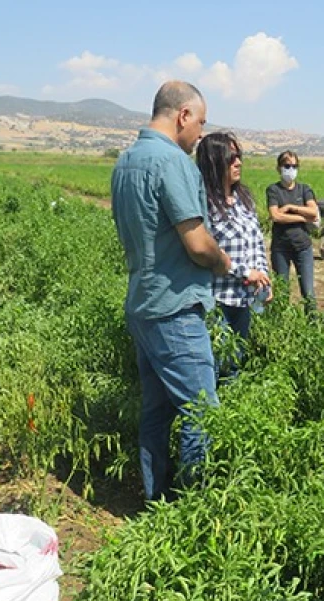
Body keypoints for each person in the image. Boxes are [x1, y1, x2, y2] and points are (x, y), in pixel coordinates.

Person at [110, 81, 232, 501]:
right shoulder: (173, 162)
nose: (200, 133)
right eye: (199, 122)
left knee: (157, 413)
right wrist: (223, 262)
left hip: (142, 304)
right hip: (175, 307)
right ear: (182, 115)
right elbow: (197, 244)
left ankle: (156, 502)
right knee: (202, 414)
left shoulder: (126, 161)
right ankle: (196, 513)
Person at [196, 132, 271, 379]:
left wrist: (263, 277)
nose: (238, 163)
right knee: (215, 366)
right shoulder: (204, 203)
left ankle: (230, 410)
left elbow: (257, 241)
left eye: (239, 156)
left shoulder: (242, 199)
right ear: (214, 163)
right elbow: (207, 252)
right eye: (231, 158)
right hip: (217, 300)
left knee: (235, 364)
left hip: (243, 299)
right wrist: (244, 272)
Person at [266, 151, 319, 311]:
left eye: (294, 166)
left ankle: (313, 326)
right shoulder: (273, 190)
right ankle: (281, 327)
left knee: (308, 293)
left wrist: (290, 208)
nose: (291, 170)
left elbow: (314, 212)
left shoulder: (304, 189)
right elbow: (275, 216)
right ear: (278, 168)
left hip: (303, 247)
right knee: (282, 292)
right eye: (287, 166)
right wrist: (302, 218)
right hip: (280, 248)